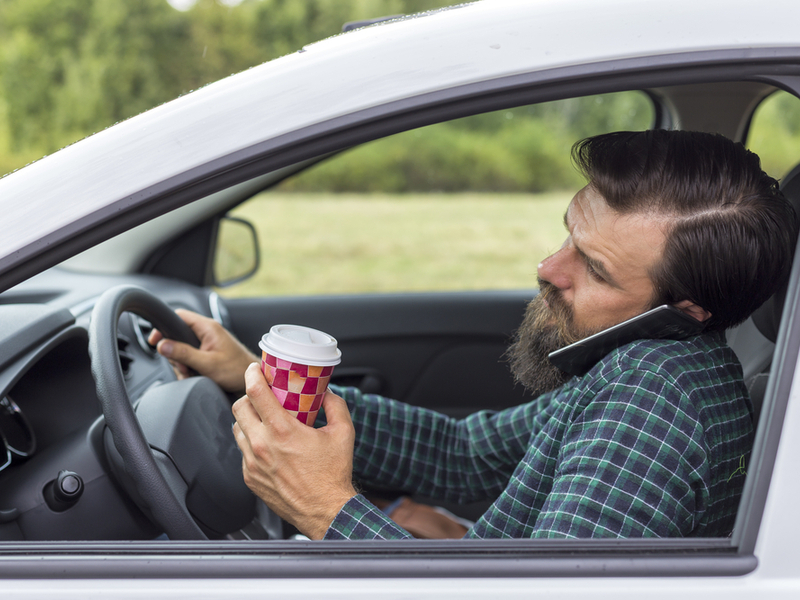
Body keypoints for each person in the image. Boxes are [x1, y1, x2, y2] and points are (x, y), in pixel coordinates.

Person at [150, 130, 798, 540]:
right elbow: (464, 455)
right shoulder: (642, 363)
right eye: (570, 235)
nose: (548, 270)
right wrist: (253, 377)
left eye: (593, 268)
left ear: (684, 310)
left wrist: (328, 511)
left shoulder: (653, 406)